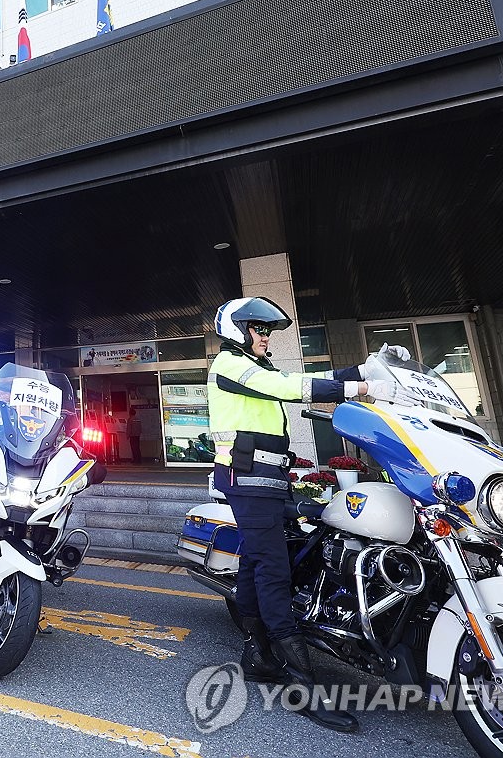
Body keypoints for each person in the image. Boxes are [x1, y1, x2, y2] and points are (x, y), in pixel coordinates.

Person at [208, 296, 417, 733]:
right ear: (237, 331)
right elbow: (290, 389)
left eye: (267, 330)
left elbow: (300, 379)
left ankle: (259, 653)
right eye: (259, 329)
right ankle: (301, 682)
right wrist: (360, 389)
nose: (265, 337)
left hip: (265, 482)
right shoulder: (228, 364)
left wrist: (360, 370)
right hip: (248, 483)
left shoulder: (258, 367)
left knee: (257, 563)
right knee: (272, 570)